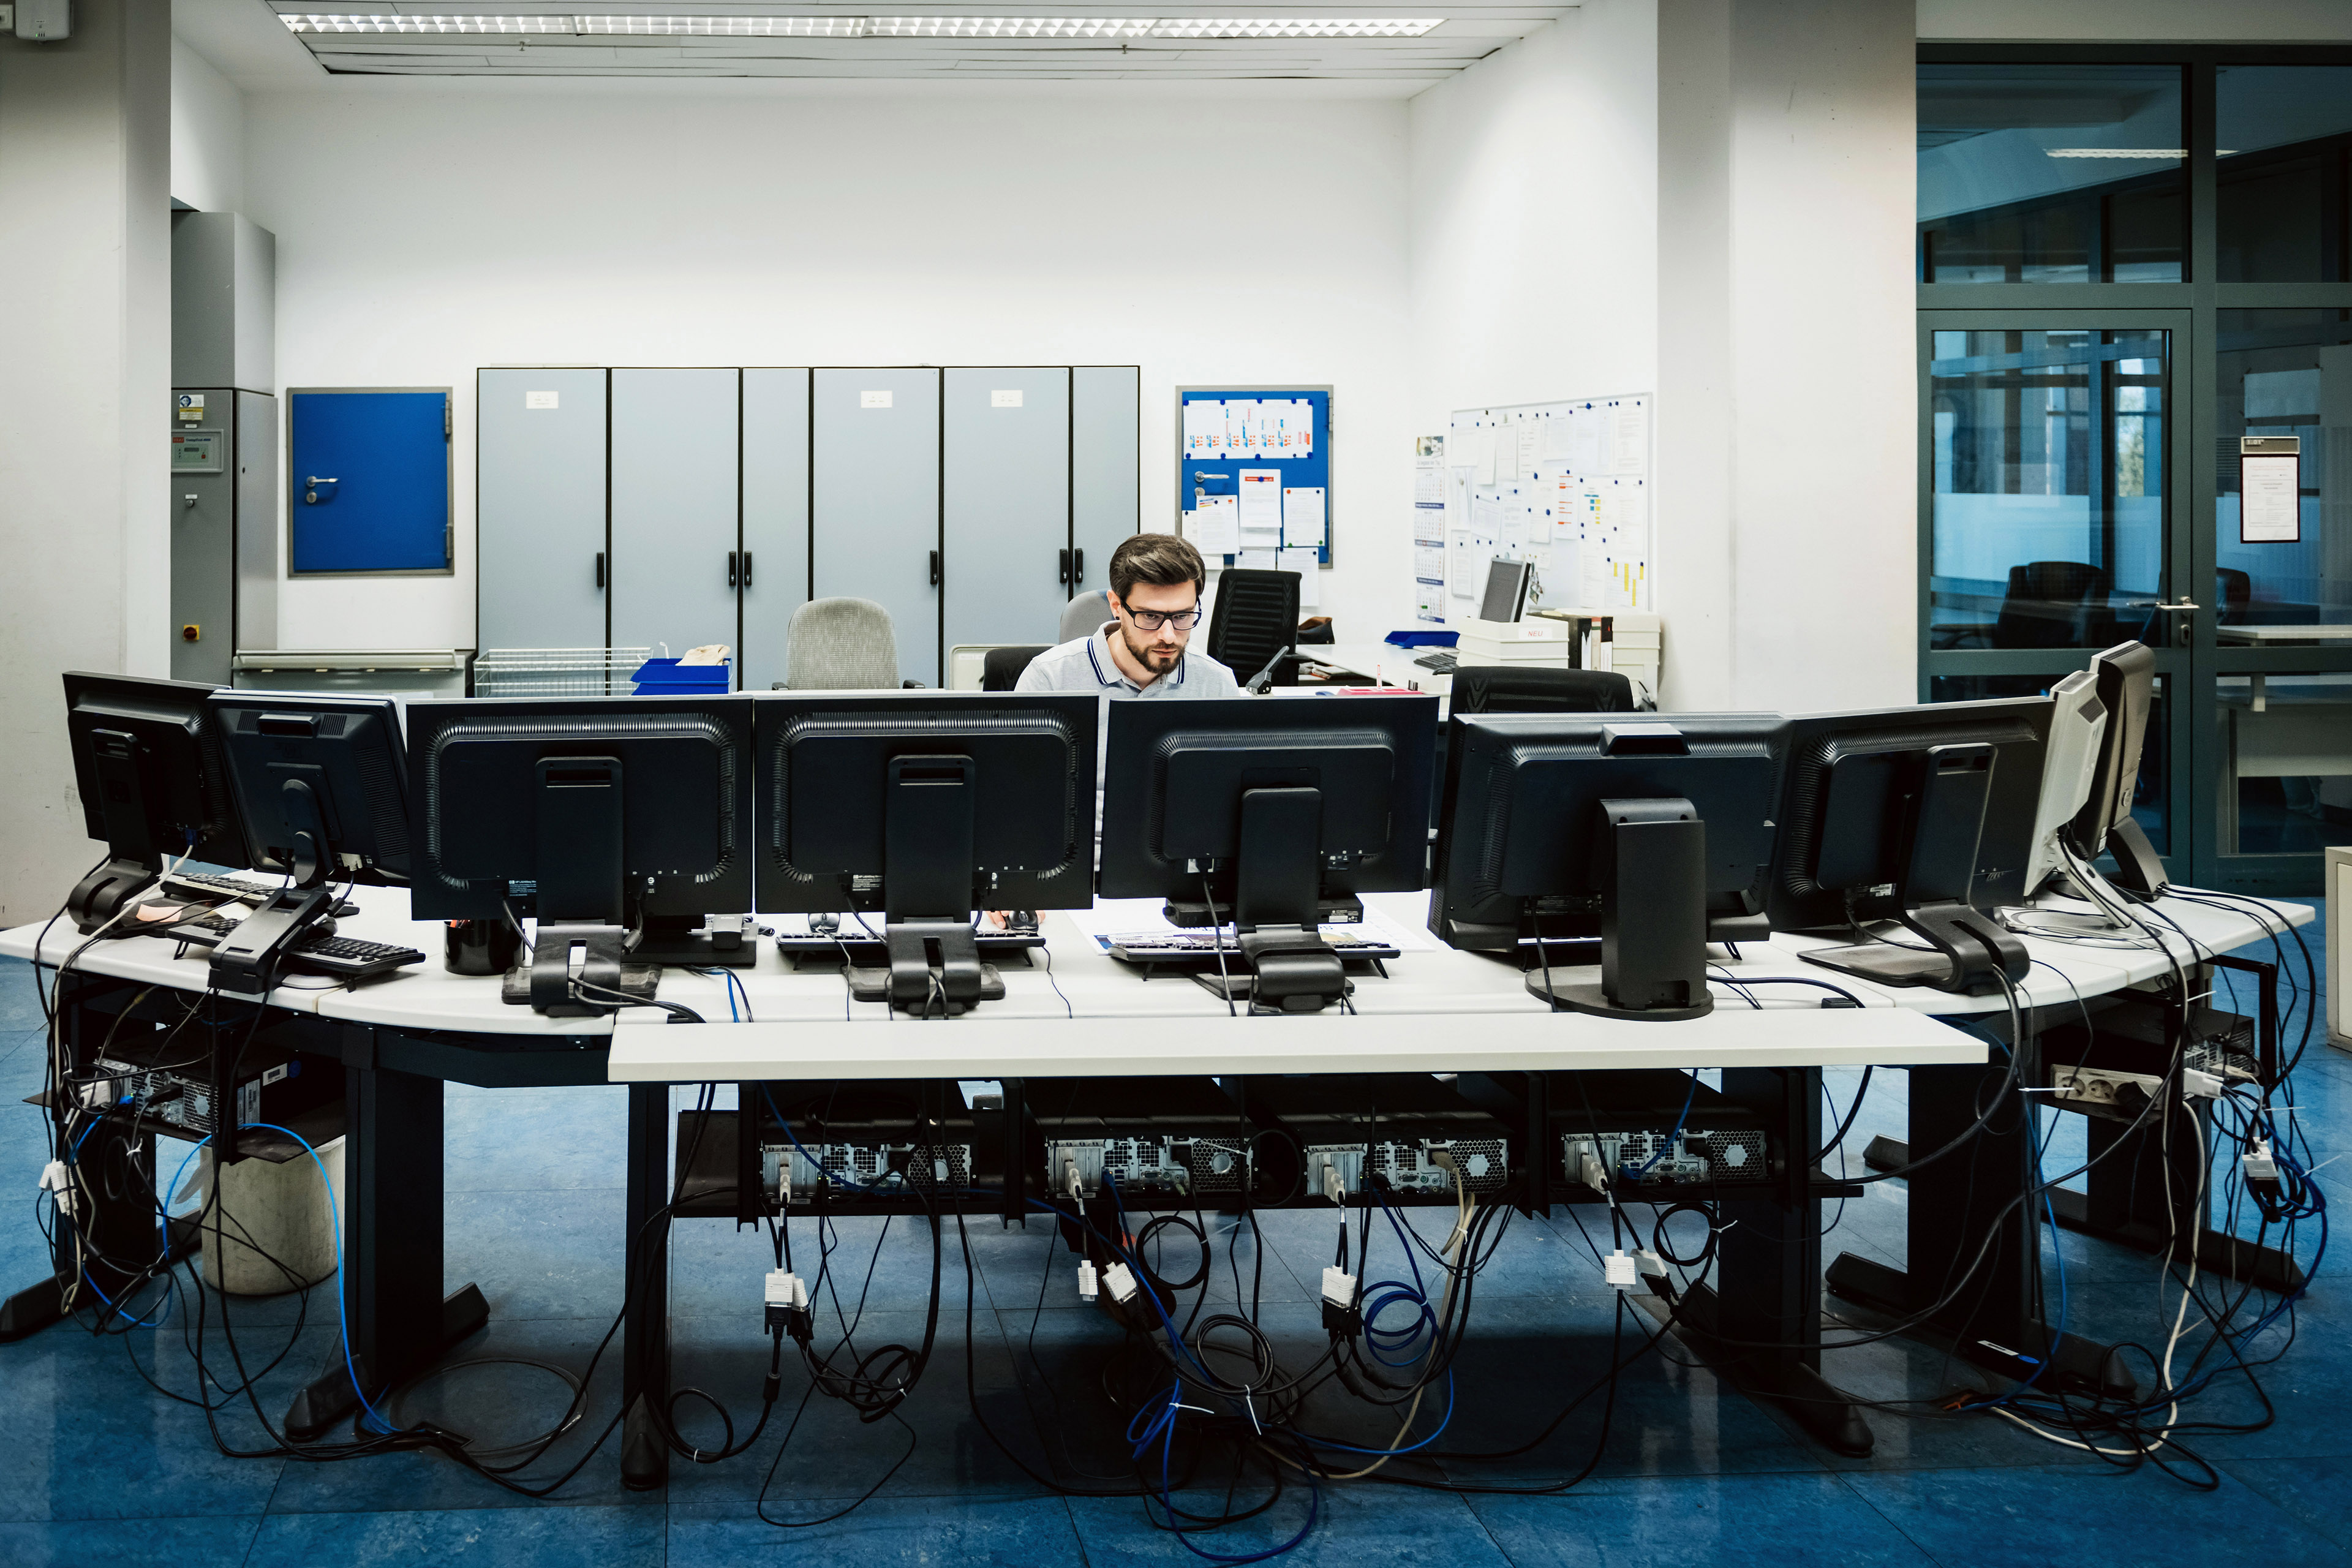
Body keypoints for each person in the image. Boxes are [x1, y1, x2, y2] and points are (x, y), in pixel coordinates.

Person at [1015, 532, 1238, 700]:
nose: (1169, 636)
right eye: (1150, 616)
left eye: (1182, 616)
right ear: (1116, 606)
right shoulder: (1049, 680)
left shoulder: (1217, 684)